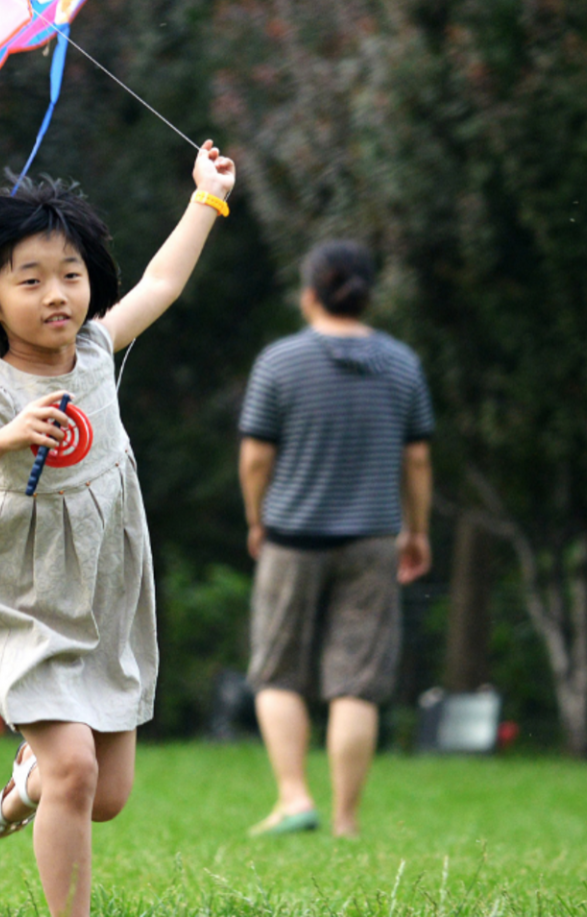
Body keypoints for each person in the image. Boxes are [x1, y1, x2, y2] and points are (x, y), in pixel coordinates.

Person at [0, 142, 236, 917]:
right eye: (30, 280)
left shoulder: (94, 343)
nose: (57, 294)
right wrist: (0, 439)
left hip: (103, 583)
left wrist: (208, 197)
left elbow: (162, 281)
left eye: (70, 274)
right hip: (19, 592)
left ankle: (28, 780)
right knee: (76, 773)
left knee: (106, 795)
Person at [237, 240, 433, 839]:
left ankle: (294, 798)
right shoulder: (402, 364)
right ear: (368, 293)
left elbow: (254, 457)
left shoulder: (280, 361)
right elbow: (418, 457)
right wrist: (417, 529)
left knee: (277, 671)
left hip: (291, 535)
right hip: (373, 535)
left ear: (310, 294)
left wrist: (256, 518)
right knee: (357, 682)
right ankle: (345, 820)